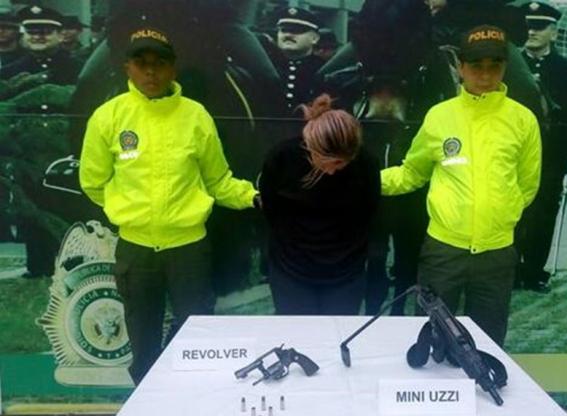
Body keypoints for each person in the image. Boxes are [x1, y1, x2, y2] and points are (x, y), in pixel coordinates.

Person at [79, 28, 259, 384]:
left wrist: (253, 196)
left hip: (188, 250)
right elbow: (93, 182)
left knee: (196, 339)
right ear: (127, 68)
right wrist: (129, 213)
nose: (150, 72)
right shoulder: (107, 117)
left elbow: (218, 182)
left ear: (173, 69)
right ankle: (145, 405)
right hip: (136, 250)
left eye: (159, 63)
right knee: (142, 339)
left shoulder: (196, 116)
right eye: (141, 63)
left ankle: (191, 403)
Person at [381, 25, 541, 347]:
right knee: (432, 339)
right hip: (443, 252)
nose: (485, 75)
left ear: (505, 67)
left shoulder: (523, 120)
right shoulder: (439, 117)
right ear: (461, 67)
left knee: (487, 342)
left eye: (494, 65)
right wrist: (358, 180)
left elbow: (527, 185)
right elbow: (411, 173)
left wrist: (500, 215)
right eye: (476, 66)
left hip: (496, 254)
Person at [258, 94, 380, 315]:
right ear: (311, 146)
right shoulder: (282, 157)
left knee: (340, 332)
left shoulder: (366, 163)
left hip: (346, 272)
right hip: (290, 270)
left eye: (341, 163)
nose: (332, 171)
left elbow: (369, 211)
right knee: (296, 332)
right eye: (327, 162)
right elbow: (270, 209)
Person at [515, 1, 567, 293]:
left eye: (539, 26)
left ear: (554, 33)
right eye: (528, 26)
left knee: (544, 213)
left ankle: (534, 272)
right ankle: (511, 270)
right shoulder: (510, 65)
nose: (532, 32)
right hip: (513, 154)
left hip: (551, 155)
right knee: (513, 212)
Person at [0, 5, 81, 85]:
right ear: (24, 36)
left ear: (60, 36)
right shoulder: (9, 72)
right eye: (31, 32)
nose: (37, 37)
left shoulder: (78, 68)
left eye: (45, 32)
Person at [269, 7, 325, 113]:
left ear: (315, 38)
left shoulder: (323, 70)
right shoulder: (267, 66)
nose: (288, 35)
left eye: (297, 31)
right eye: (283, 30)